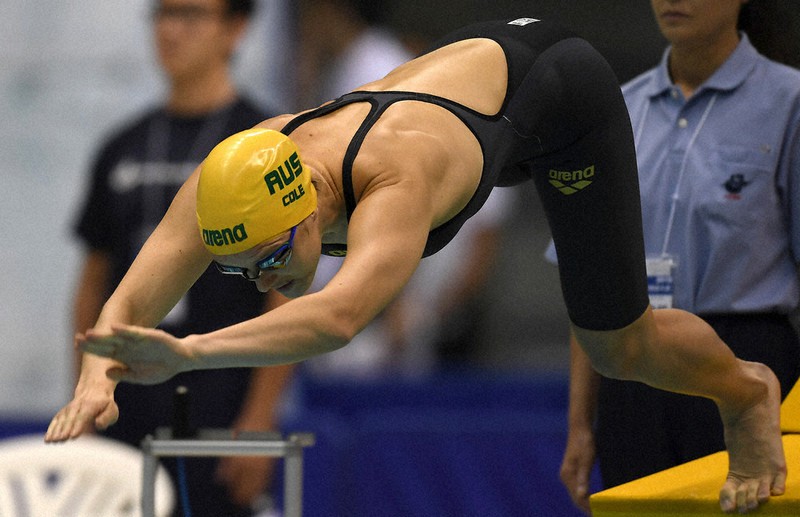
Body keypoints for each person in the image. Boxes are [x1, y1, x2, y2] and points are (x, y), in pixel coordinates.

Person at [45, 16, 787, 514]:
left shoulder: (395, 177)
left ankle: (746, 392)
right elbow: (128, 299)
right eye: (237, 270)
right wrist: (99, 369)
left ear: (309, 210)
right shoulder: (236, 176)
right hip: (477, 102)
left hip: (561, 102)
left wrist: (187, 353)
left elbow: (338, 317)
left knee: (620, 345)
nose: (262, 281)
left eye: (270, 259)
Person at [557, 1, 800, 513]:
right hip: (632, 358)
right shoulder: (614, 109)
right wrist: (581, 424)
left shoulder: (789, 103)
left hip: (745, 364)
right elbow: (589, 279)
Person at [70, 0, 293, 515]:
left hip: (221, 403)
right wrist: (83, 391)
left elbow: (285, 289)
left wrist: (260, 414)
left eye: (190, 15)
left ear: (235, 29)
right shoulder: (119, 147)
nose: (171, 31)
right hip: (125, 403)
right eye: (163, 14)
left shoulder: (263, 144)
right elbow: (92, 283)